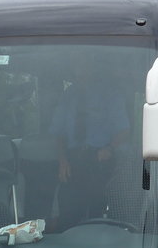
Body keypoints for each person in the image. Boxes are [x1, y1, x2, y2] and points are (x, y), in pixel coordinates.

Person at [49, 68, 131, 229]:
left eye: (83, 62)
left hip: (102, 161)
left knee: (97, 211)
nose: (80, 68)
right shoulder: (68, 95)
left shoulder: (111, 94)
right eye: (75, 62)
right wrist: (62, 160)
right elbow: (58, 133)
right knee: (67, 211)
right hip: (72, 161)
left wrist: (109, 148)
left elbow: (124, 131)